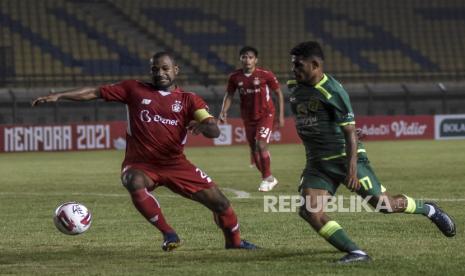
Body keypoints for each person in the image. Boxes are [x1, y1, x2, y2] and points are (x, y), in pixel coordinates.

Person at [32, 51, 257, 251]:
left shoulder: (189, 100)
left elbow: (213, 130)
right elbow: (94, 92)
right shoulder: (134, 89)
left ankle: (234, 242)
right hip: (141, 164)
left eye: (165, 68)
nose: (160, 73)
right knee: (132, 180)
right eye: (155, 69)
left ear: (176, 70)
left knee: (221, 205)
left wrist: (204, 125)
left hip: (176, 165)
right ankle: (169, 234)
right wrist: (60, 95)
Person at [287, 41, 456, 264]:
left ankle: (429, 209)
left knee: (384, 205)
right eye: (292, 65)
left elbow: (350, 134)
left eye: (298, 65)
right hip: (317, 164)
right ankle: (357, 252)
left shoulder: (334, 91)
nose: (294, 70)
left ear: (315, 64)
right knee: (310, 210)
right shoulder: (294, 88)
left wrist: (352, 170)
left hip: (344, 158)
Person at [219, 46, 285, 192]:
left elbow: (278, 93)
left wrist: (280, 116)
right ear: (240, 59)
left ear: (256, 60)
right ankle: (269, 178)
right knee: (254, 151)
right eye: (244, 57)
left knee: (261, 145)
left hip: (266, 114)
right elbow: (229, 94)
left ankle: (267, 178)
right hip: (248, 117)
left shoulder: (265, 75)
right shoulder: (235, 77)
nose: (247, 60)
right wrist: (223, 111)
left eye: (250, 57)